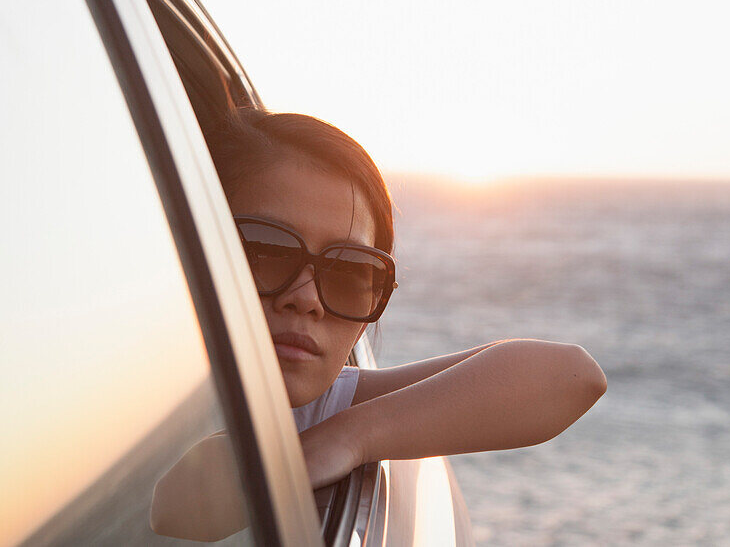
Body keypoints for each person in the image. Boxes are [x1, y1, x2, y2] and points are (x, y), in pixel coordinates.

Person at [151, 110, 606, 539]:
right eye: (267, 252)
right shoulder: (133, 398)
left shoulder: (318, 415)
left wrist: (349, 437)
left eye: (348, 272)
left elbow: (572, 376)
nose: (307, 299)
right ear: (194, 247)